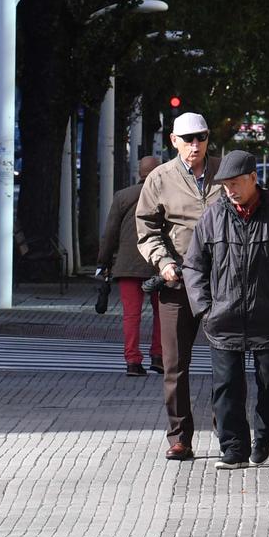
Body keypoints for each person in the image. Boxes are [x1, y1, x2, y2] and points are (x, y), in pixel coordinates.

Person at [182, 149, 269, 468]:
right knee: (226, 388)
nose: (230, 190)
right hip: (223, 318)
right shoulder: (214, 216)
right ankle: (233, 449)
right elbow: (194, 265)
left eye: (235, 183)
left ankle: (265, 441)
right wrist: (204, 310)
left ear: (254, 178)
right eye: (225, 184)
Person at [135, 111, 224, 460]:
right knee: (174, 365)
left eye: (200, 137)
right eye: (187, 139)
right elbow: (146, 228)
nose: (194, 145)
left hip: (221, 283)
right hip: (177, 283)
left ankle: (228, 434)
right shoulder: (159, 178)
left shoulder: (223, 172)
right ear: (173, 141)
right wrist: (164, 262)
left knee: (226, 361)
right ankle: (179, 437)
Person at [97, 154, 164, 376]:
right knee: (162, 313)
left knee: (131, 315)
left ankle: (132, 361)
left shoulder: (123, 196)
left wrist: (103, 263)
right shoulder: (167, 196)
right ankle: (158, 356)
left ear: (139, 173)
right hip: (159, 265)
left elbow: (110, 235)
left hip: (127, 265)